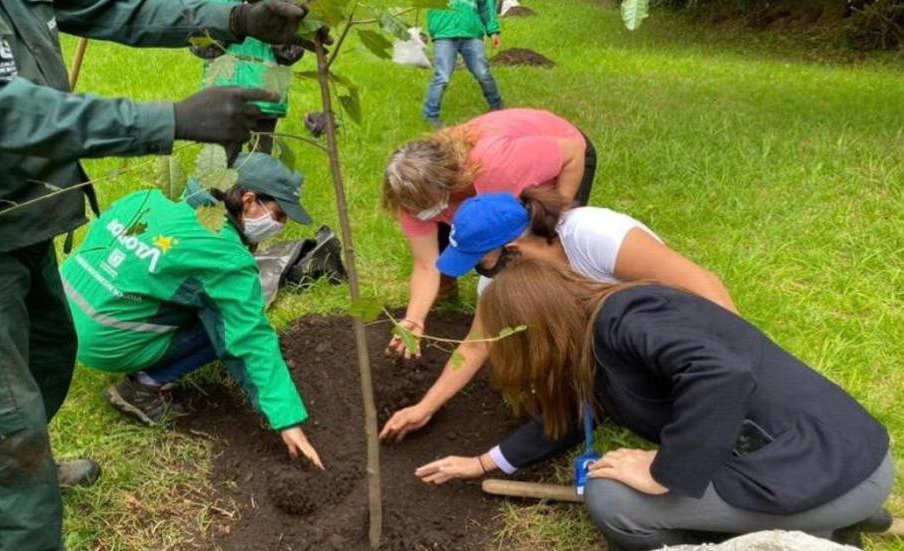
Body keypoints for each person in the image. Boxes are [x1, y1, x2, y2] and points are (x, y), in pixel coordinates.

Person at [0, 0, 320, 548]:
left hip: (20, 210)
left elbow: (113, 7)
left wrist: (235, 19)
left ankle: (33, 466)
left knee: (47, 358)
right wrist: (168, 120)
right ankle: (15, 505)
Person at [415, 258, 894, 550]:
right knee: (616, 485)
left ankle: (808, 533)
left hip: (826, 472)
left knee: (614, 499)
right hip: (830, 457)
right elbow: (571, 416)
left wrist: (664, 471)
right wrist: (484, 462)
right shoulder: (596, 335)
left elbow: (720, 373)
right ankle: (833, 523)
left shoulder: (627, 317)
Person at [381, 188, 736, 441]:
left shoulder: (595, 235)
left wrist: (737, 355)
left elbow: (703, 285)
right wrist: (426, 406)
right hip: (612, 340)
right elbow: (476, 346)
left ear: (514, 250)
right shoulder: (501, 281)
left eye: (481, 263)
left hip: (664, 322)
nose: (481, 275)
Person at [61, 153, 323, 469]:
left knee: (197, 293)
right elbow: (249, 337)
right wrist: (287, 420)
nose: (280, 225)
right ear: (249, 200)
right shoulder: (221, 253)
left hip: (62, 313)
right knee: (226, 320)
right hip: (104, 341)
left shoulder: (154, 197)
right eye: (279, 215)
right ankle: (144, 387)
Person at [383, 108, 597, 353]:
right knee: (478, 247)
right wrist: (414, 319)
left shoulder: (498, 168)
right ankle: (453, 290)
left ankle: (561, 319)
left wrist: (552, 220)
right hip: (485, 180)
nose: (418, 215)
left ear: (448, 185)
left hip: (564, 155)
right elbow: (425, 263)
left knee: (540, 252)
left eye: (427, 207)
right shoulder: (411, 199)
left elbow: (573, 153)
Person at [192, 0, 307, 154]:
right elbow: (197, 43)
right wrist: (227, 28)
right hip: (223, 92)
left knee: (260, 157)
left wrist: (276, 30)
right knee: (222, 158)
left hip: (266, 96)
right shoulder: (217, 4)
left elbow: (290, 54)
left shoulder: (280, 5)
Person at [423, 0, 503, 126]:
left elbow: (486, 6)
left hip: (471, 34)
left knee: (483, 73)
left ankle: (497, 107)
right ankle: (430, 115)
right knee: (442, 76)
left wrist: (493, 31)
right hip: (445, 33)